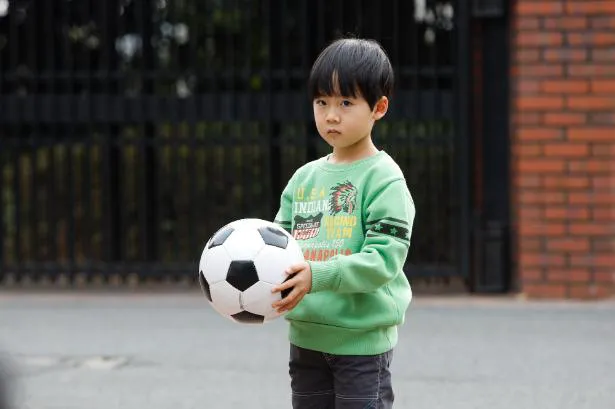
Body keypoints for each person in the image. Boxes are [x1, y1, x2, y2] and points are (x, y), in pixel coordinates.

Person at [271, 37, 416, 409]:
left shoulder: (384, 179)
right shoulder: (303, 179)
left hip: (361, 346)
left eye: (346, 103)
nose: (331, 115)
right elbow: (275, 249)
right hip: (306, 340)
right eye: (322, 102)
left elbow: (383, 262)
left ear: (379, 108)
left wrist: (316, 275)